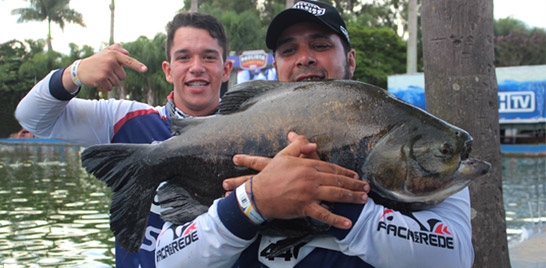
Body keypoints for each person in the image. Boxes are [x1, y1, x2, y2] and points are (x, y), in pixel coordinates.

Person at [14, 11, 366, 268]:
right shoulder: (125, 117)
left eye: (208, 57)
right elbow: (32, 118)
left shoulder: (262, 133)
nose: (196, 67)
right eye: (183, 57)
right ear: (168, 69)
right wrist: (74, 73)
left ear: (226, 70)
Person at [155, 1, 475, 268]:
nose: (304, 57)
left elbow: (455, 256)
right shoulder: (235, 132)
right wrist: (251, 203)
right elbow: (167, 258)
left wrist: (332, 201)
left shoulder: (421, 144)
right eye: (288, 49)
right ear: (277, 65)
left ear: (350, 59)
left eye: (320, 45)